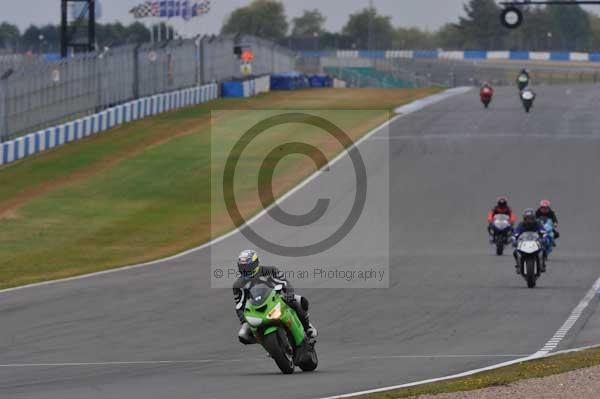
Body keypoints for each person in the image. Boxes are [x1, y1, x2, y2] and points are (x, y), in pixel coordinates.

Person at [233, 249, 317, 345]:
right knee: (243, 335)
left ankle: (307, 327)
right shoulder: (238, 284)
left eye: (248, 267)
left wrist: (289, 294)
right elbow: (239, 304)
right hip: (255, 310)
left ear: (255, 264)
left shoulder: (270, 270)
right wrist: (244, 321)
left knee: (299, 301)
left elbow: (284, 282)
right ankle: (265, 343)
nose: (245, 270)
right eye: (242, 267)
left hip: (276, 300)